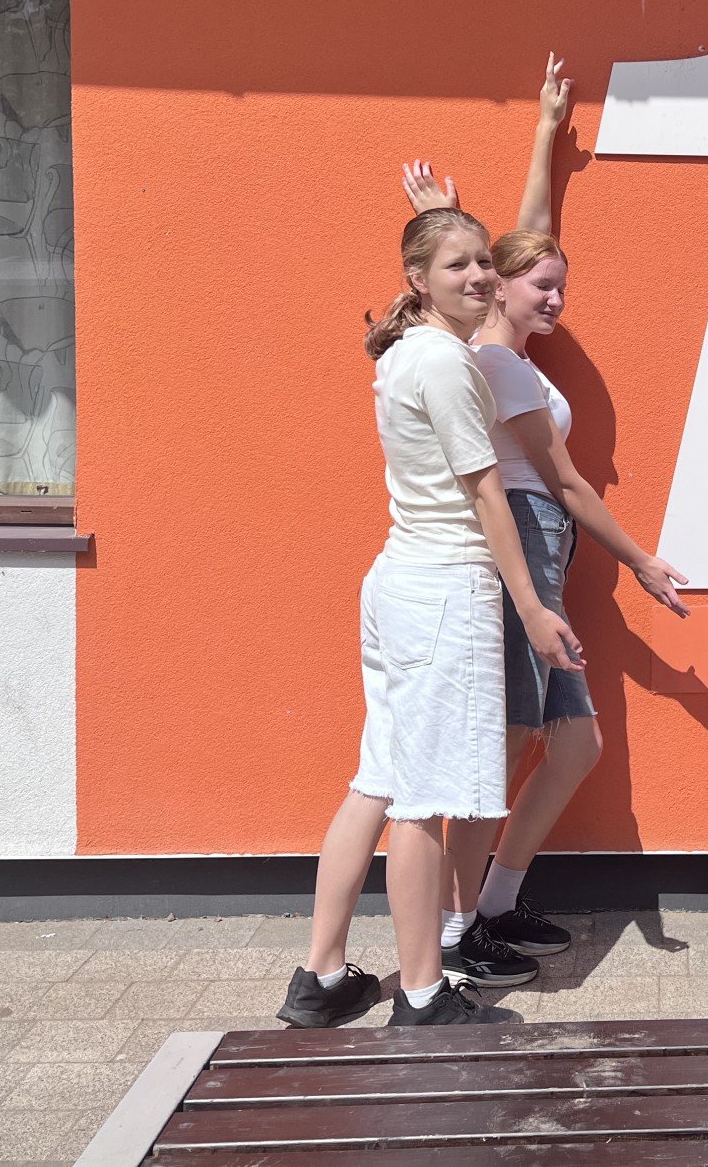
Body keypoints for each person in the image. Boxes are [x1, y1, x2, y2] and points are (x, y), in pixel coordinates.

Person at [401, 55, 690, 989]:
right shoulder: (495, 358)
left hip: (543, 547)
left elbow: (531, 240)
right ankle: (458, 933)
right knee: (506, 744)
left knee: (571, 744)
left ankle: (493, 905)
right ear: (497, 288)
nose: (555, 298)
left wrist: (543, 134)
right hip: (524, 539)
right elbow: (566, 484)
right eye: (540, 288)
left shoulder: (515, 347)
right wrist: (643, 562)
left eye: (563, 286)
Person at [277, 207, 582, 1029]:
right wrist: (532, 606)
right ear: (418, 280)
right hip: (446, 592)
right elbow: (486, 493)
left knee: (377, 782)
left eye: (485, 261)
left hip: (402, 584)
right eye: (458, 265)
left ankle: (322, 976)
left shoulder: (409, 350)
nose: (480, 276)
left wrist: (440, 208)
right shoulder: (445, 363)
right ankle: (421, 995)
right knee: (420, 802)